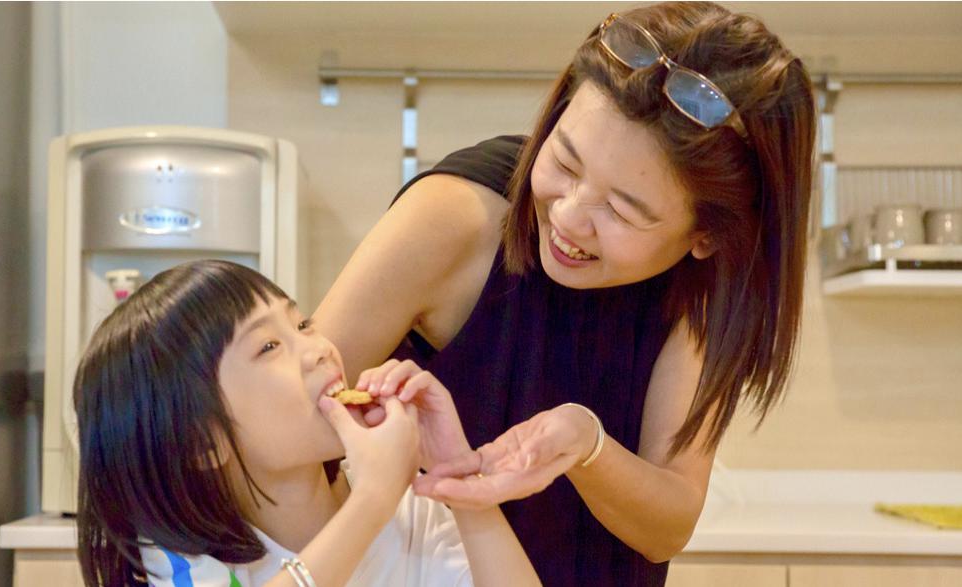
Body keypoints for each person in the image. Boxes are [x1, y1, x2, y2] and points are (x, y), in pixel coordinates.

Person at [313, 2, 816, 585]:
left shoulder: (700, 291)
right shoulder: (456, 216)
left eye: (622, 210)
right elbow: (285, 419)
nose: (570, 218)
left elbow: (667, 526)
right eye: (564, 161)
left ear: (705, 238)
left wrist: (587, 446)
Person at [74, 259, 539, 586]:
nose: (319, 349)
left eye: (301, 325)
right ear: (201, 443)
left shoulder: (407, 507)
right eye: (268, 347)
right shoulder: (182, 559)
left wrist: (459, 480)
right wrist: (372, 501)